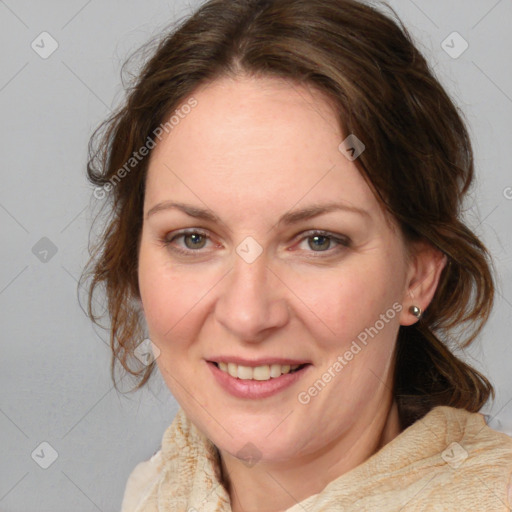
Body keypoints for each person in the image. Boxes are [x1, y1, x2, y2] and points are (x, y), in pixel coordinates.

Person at [82, 0, 512, 510]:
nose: (247, 315)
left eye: (317, 241)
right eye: (193, 239)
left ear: (416, 277)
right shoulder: (154, 490)